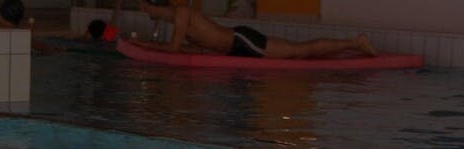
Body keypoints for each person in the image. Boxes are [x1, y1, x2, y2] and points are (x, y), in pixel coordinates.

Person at [136, 0, 376, 59]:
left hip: (243, 41)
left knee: (298, 51)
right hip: (236, 47)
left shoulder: (181, 12)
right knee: (297, 51)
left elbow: (174, 49)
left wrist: (143, 45)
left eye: (147, 9)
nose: (147, 14)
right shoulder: (179, 18)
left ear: (156, 5)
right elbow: (196, 45)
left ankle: (354, 43)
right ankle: (353, 43)